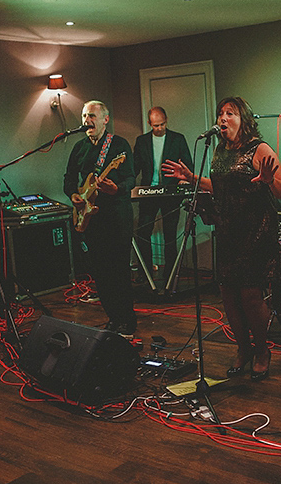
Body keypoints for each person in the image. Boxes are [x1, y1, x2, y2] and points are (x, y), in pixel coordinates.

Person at [162, 97, 281, 381]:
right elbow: (220, 186)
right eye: (220, 113)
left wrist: (268, 180)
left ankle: (261, 351)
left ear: (243, 118)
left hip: (256, 231)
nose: (223, 118)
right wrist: (192, 177)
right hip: (229, 231)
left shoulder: (259, 148)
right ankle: (242, 350)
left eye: (229, 113)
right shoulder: (219, 150)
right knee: (228, 294)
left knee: (250, 295)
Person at [64, 100, 138, 336]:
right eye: (85, 116)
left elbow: (130, 179)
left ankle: (127, 320)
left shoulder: (118, 145)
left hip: (116, 217)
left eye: (93, 116)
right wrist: (74, 195)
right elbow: (68, 179)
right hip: (91, 218)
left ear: (105, 119)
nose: (88, 120)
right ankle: (113, 318)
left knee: (119, 271)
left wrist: (116, 189)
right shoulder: (79, 147)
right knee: (101, 273)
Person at [133, 107, 194, 282]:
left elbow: (187, 165)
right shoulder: (142, 141)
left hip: (170, 193)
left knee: (170, 236)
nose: (159, 128)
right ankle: (145, 275)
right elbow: (134, 167)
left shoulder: (178, 139)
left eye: (162, 124)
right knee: (143, 233)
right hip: (148, 192)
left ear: (166, 120)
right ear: (149, 123)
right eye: (155, 125)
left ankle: (170, 277)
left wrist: (184, 179)